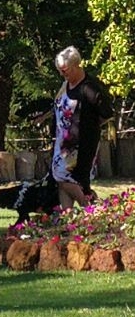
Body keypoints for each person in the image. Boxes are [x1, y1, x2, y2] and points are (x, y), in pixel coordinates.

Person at [51, 46, 114, 209]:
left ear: (76, 65)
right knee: (61, 179)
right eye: (60, 70)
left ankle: (90, 208)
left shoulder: (90, 88)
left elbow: (107, 113)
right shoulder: (65, 85)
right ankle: (68, 218)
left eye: (65, 70)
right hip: (62, 144)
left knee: (69, 180)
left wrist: (89, 126)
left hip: (82, 146)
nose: (62, 74)